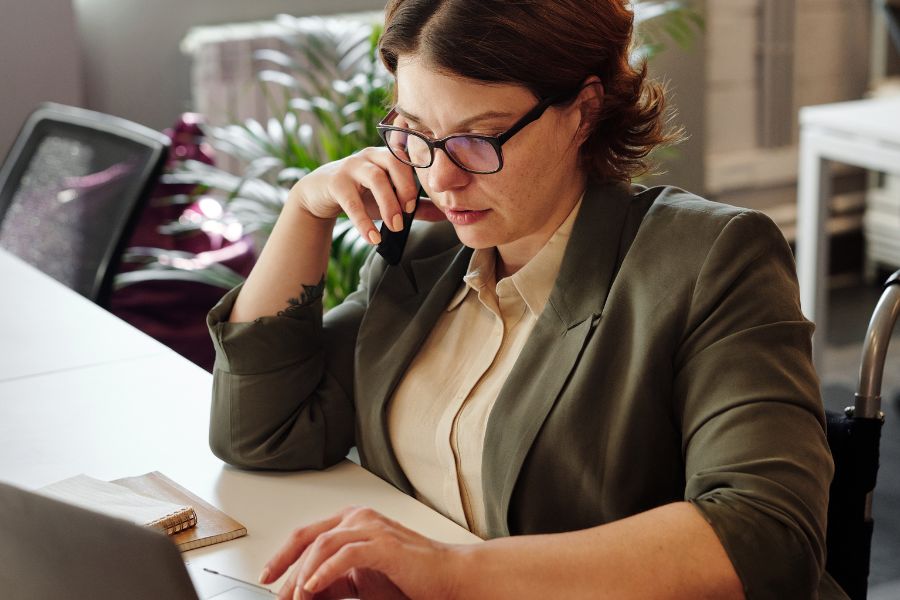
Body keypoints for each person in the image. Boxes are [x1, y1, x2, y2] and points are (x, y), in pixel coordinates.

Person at [206, 1, 846, 598]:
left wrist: (452, 572)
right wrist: (305, 210)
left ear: (584, 111)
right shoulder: (428, 253)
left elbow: (767, 535)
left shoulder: (709, 258)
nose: (441, 176)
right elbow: (264, 431)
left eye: (478, 138)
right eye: (415, 132)